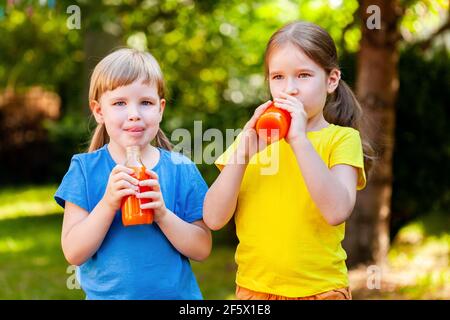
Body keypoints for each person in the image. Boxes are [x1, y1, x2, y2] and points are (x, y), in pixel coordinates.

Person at [203, 21, 374, 300]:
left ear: (331, 80)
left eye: (304, 75)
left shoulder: (341, 140)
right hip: (254, 291)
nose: (289, 89)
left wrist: (298, 140)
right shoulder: (251, 142)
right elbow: (213, 218)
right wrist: (243, 155)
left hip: (321, 291)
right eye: (278, 77)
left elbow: (337, 210)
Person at [55, 48, 211, 300]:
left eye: (146, 103)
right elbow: (74, 252)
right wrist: (107, 204)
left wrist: (162, 214)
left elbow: (202, 248)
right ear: (98, 111)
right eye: (119, 103)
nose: (134, 114)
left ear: (160, 109)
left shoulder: (181, 170)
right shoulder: (84, 170)